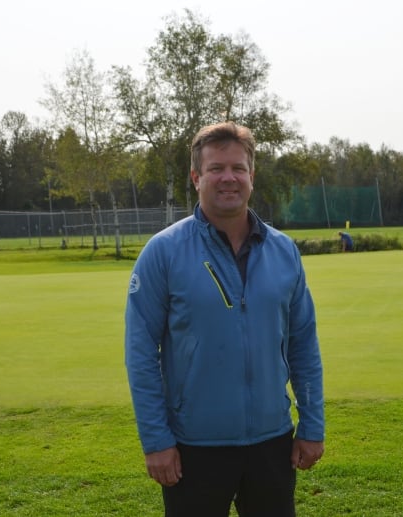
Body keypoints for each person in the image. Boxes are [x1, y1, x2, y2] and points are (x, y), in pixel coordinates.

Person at [125, 121, 325, 516]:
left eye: (238, 168)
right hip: (193, 447)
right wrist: (156, 441)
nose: (228, 178)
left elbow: (303, 344)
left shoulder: (284, 251)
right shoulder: (163, 252)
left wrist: (312, 425)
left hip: (272, 443)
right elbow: (141, 353)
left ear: (252, 176)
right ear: (197, 177)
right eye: (216, 168)